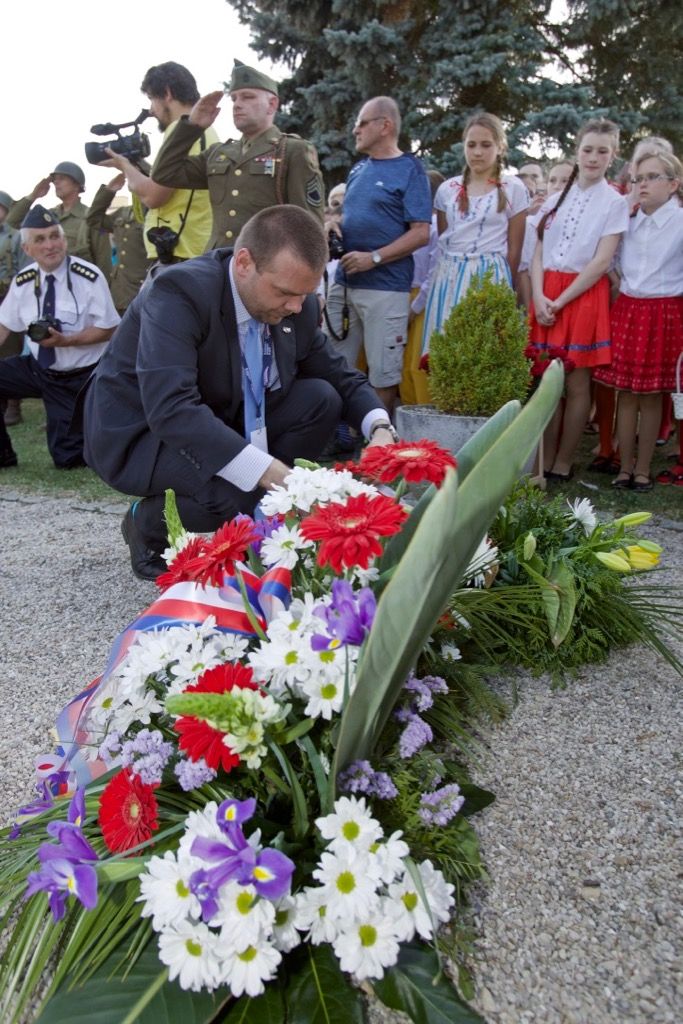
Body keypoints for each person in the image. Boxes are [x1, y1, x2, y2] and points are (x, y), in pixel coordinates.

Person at [82, 205, 397, 581]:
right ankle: (146, 524)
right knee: (236, 490)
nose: (297, 307)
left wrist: (380, 429)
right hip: (142, 432)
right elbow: (172, 409)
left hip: (220, 415)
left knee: (321, 398)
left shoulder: (294, 303)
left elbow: (341, 377)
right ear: (244, 262)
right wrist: (269, 472)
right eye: (285, 293)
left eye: (305, 294)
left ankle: (261, 520)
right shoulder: (179, 292)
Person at [529, 119, 629, 480]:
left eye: (603, 151)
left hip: (583, 293)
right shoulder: (555, 200)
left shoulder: (614, 203)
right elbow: (538, 252)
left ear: (613, 155)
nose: (593, 157)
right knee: (545, 380)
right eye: (588, 149)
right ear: (577, 151)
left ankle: (564, 460)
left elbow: (602, 261)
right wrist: (540, 295)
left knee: (575, 382)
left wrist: (561, 300)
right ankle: (543, 457)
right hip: (547, 291)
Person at [326, 96, 431, 413]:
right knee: (332, 367)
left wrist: (372, 258)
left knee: (383, 375)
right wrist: (333, 226)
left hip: (385, 288)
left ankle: (375, 449)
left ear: (385, 126)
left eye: (362, 122)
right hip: (344, 285)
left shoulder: (410, 169)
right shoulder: (358, 169)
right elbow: (356, 218)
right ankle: (336, 440)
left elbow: (421, 232)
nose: (355, 129)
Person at [150, 59, 325, 249]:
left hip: (265, 267)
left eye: (247, 97)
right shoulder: (219, 153)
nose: (237, 105)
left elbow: (310, 228)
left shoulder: (292, 150)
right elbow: (163, 173)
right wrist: (191, 127)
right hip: (219, 266)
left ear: (272, 104)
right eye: (234, 99)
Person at [0, 207, 119, 470]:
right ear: (27, 249)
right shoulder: (23, 281)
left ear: (64, 240)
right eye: (40, 240)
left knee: (68, 460)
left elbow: (109, 328)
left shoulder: (88, 277)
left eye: (55, 236)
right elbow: (4, 325)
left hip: (80, 377)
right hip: (39, 368)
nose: (50, 245)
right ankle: (3, 456)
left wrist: (66, 341)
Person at [592, 149, 683, 491]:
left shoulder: (680, 221)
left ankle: (643, 468)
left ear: (673, 184)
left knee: (651, 395)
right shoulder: (628, 219)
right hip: (630, 309)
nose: (642, 184)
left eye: (651, 177)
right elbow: (609, 258)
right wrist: (620, 284)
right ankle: (624, 466)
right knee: (625, 393)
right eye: (638, 178)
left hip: (665, 311)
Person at [421, 112, 528, 358]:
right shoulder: (448, 190)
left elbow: (514, 250)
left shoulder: (513, 189)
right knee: (448, 352)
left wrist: (504, 289)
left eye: (485, 145)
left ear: (500, 147)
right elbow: (445, 240)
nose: (477, 152)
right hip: (449, 275)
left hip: (489, 275)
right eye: (472, 145)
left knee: (483, 353)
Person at [103, 62, 219, 265]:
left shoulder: (181, 130)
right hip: (194, 250)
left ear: (167, 93)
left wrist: (124, 166)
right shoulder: (208, 132)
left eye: (151, 99)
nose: (151, 110)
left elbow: (153, 196)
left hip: (179, 253)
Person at [6, 162, 112, 281]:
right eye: (54, 180)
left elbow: (103, 262)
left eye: (62, 179)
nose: (56, 182)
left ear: (76, 184)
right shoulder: (47, 216)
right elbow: (11, 223)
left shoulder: (90, 218)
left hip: (80, 289)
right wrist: (34, 195)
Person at [87, 173, 148, 315]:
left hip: (141, 292)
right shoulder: (123, 213)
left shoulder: (154, 212)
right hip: (119, 294)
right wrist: (109, 191)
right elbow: (93, 219)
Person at [518, 159, 573, 310]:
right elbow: (526, 267)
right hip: (542, 290)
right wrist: (532, 304)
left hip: (571, 290)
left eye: (565, 181)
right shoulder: (534, 222)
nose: (556, 186)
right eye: (552, 180)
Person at [0, 190, 25, 425]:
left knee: (10, 351)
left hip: (8, 297)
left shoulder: (16, 237)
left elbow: (24, 271)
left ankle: (13, 406)